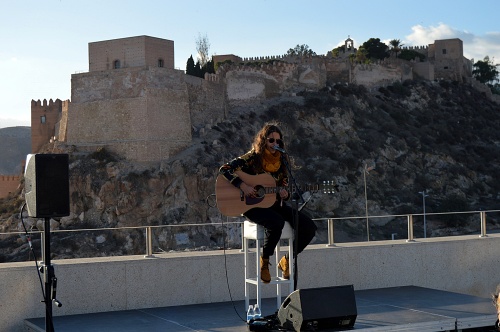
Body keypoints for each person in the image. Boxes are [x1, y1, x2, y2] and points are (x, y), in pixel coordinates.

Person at [219, 121, 317, 283]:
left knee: (309, 227)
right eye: (271, 140)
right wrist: (242, 185)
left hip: (274, 204)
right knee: (276, 222)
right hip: (252, 205)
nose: (275, 144)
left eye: (278, 141)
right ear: (263, 140)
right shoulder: (252, 157)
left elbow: (283, 187)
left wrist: (284, 194)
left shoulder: (282, 162)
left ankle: (286, 260)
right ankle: (264, 261)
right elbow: (225, 169)